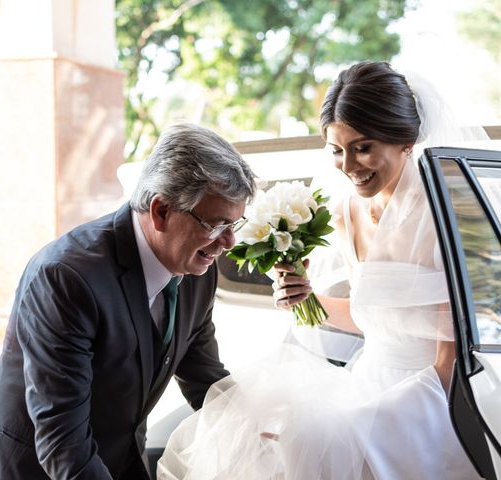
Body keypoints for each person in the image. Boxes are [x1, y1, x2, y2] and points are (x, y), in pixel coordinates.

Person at [157, 62, 487, 479]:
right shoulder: (348, 210)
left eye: (363, 147)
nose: (349, 166)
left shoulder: (450, 214)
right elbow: (375, 318)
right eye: (336, 149)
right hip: (368, 381)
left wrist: (354, 428)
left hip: (436, 403)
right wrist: (307, 300)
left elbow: (454, 361)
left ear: (406, 140)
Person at [0, 122, 257, 479]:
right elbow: (62, 441)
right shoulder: (66, 278)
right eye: (217, 225)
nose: (229, 242)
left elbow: (205, 380)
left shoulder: (196, 272)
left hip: (117, 458)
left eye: (235, 225)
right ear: (160, 211)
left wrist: (265, 431)